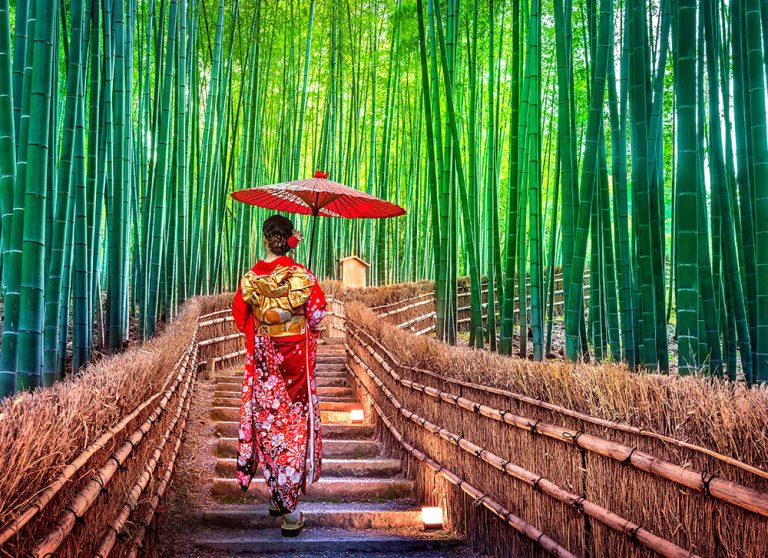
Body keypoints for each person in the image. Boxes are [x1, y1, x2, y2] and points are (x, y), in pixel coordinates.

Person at [231, 214, 327, 537]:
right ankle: (290, 511)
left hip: (264, 364)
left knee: (269, 425)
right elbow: (316, 314)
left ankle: (276, 494)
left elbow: (239, 317)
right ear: (289, 240)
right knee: (292, 429)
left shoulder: (251, 277)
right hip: (294, 364)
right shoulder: (302, 275)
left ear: (264, 238)